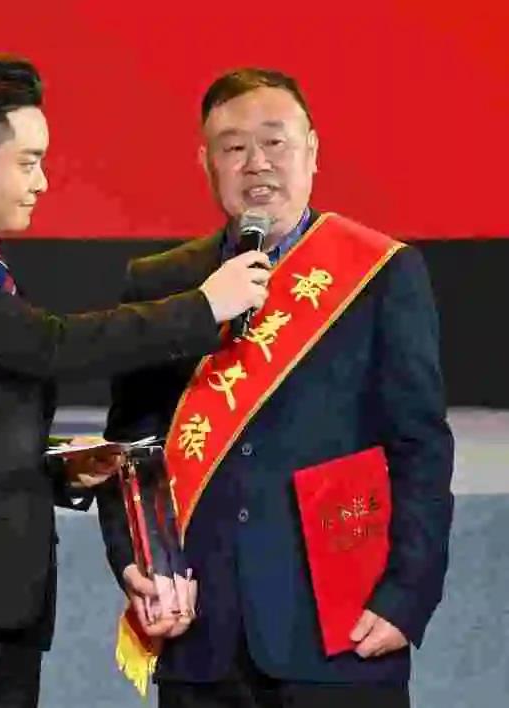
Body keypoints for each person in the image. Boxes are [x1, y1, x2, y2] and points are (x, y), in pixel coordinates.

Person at [0, 55, 272, 707]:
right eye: (28, 162)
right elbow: (48, 346)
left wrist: (56, 466)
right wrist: (204, 308)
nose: (43, 182)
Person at [96, 68, 454, 708]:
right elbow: (131, 450)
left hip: (340, 628)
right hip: (201, 631)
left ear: (312, 150)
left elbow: (421, 448)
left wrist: (407, 596)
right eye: (233, 147)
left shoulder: (381, 273)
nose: (256, 163)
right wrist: (139, 563)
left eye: (274, 141)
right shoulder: (161, 284)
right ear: (206, 162)